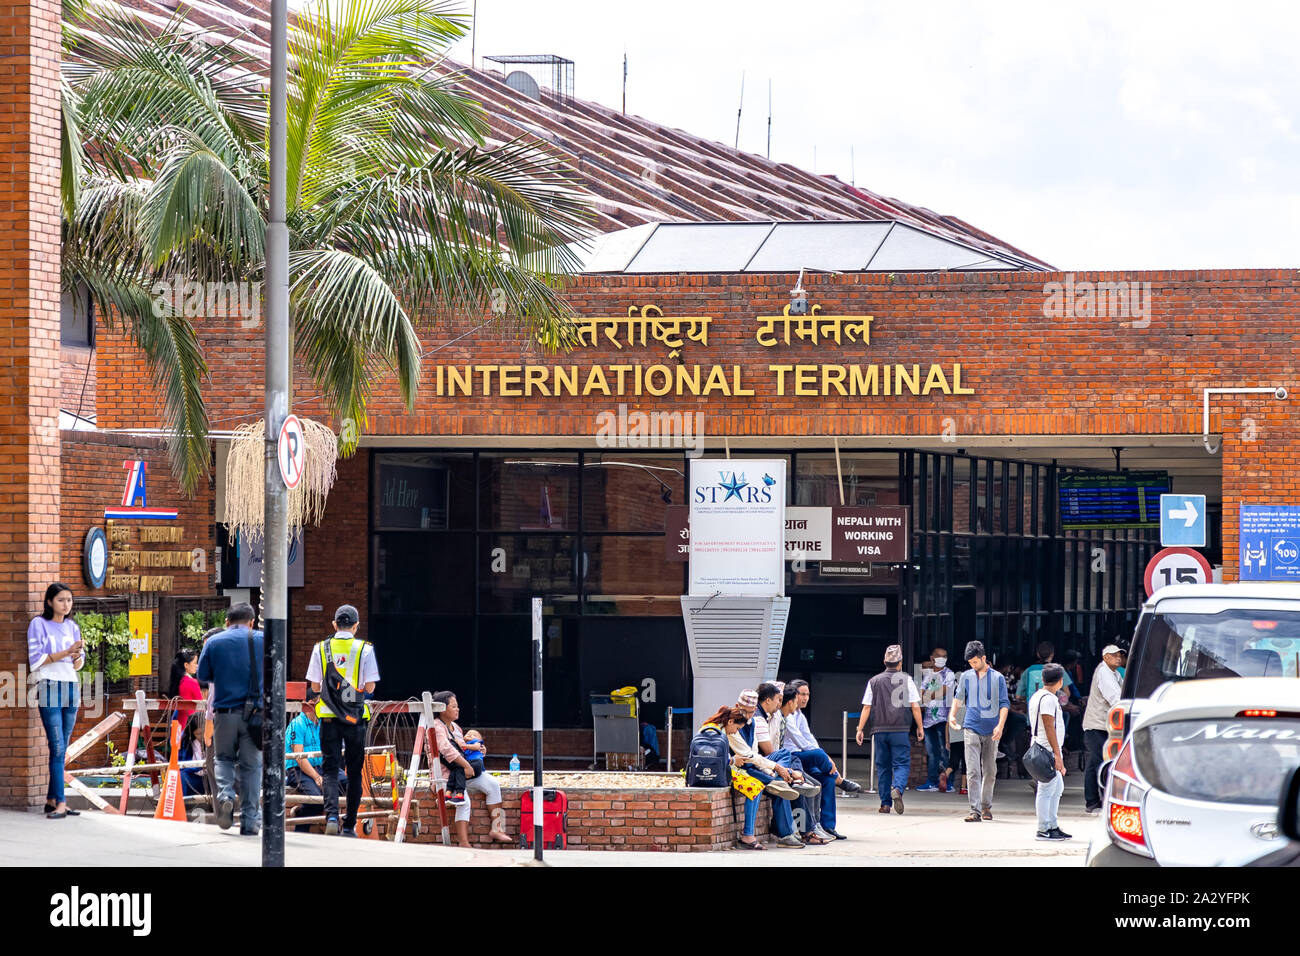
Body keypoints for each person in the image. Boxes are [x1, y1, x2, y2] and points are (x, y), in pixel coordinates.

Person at [306, 604, 379, 837]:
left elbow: (315, 687)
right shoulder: (364, 649)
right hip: (356, 718)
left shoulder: (320, 648)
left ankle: (331, 817)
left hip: (328, 717)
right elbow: (369, 687)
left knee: (329, 769)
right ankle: (349, 825)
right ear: (356, 626)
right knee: (355, 771)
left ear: (334, 625)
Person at [196, 602, 264, 835]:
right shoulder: (262, 640)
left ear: (227, 622)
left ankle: (225, 795)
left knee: (223, 759)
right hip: (255, 715)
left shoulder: (214, 642)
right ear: (252, 622)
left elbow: (203, 675)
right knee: (252, 767)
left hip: (224, 713)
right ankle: (250, 821)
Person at [28, 583, 85, 819]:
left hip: (71, 686)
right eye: (61, 600)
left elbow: (79, 664)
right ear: (50, 601)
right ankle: (61, 802)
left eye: (69, 600)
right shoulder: (38, 624)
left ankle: (52, 800)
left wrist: (76, 656)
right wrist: (66, 652)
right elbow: (36, 660)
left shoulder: (73, 626)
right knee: (57, 747)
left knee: (63, 748)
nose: (66, 604)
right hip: (50, 686)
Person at [431, 691, 512, 846]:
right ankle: (463, 842)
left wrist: (479, 750)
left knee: (493, 784)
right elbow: (448, 751)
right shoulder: (436, 727)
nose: (458, 709)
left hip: (466, 772)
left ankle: (497, 829)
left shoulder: (456, 728)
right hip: (448, 776)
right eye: (454, 706)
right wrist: (467, 765)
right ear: (442, 709)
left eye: (457, 706)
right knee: (464, 801)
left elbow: (465, 749)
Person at [784, 679, 860, 840]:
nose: (805, 698)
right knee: (819, 756)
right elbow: (800, 742)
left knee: (827, 780)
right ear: (793, 696)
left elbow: (810, 739)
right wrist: (821, 756)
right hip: (792, 758)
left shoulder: (800, 715)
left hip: (804, 756)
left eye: (808, 694)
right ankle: (840, 780)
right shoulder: (787, 716)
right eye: (802, 694)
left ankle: (828, 826)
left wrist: (825, 757)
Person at [728, 692, 806, 848]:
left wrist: (771, 771)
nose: (748, 715)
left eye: (751, 711)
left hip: (755, 764)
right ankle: (782, 780)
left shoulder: (752, 723)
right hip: (742, 767)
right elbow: (747, 755)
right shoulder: (732, 725)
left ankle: (777, 780)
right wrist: (780, 770)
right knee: (779, 787)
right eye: (745, 711)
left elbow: (755, 752)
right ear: (737, 708)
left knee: (784, 755)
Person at [856, 644, 924, 814]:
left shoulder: (874, 681)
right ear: (900, 663)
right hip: (900, 729)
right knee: (901, 764)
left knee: (883, 767)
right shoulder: (907, 679)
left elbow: (867, 707)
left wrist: (860, 729)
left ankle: (885, 803)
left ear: (884, 661)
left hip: (879, 730)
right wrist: (920, 727)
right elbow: (915, 706)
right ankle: (898, 789)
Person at [952, 640, 1009, 822]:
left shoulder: (998, 678)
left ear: (984, 658)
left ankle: (986, 806)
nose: (973, 665)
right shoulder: (966, 677)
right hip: (971, 726)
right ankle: (974, 809)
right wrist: (952, 715)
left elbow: (1004, 704)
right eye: (970, 663)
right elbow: (959, 697)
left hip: (992, 729)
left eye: (975, 662)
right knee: (972, 770)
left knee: (990, 770)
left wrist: (1000, 725)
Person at [285, 691, 346, 833]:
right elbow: (299, 757)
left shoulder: (323, 723)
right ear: (311, 704)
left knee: (347, 783)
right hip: (299, 770)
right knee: (315, 799)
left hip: (322, 767)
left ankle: (342, 825)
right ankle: (301, 831)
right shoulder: (297, 724)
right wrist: (316, 777)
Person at [1029, 663, 1072, 841]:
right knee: (1046, 789)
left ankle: (1052, 825)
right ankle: (1043, 828)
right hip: (1047, 749)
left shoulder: (1038, 695)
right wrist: (1057, 754)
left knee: (1057, 788)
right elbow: (1049, 726)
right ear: (1060, 681)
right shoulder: (1048, 699)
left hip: (1045, 747)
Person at [1081, 644, 1124, 813]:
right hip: (1097, 725)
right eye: (1114, 655)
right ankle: (1104, 799)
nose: (1118, 658)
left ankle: (1092, 801)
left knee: (1094, 763)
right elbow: (1115, 697)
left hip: (1100, 725)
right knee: (1102, 763)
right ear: (1106, 657)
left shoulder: (1113, 673)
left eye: (1120, 655)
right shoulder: (1104, 672)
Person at [916, 646, 956, 792]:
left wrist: (926, 696)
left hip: (943, 719)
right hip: (928, 720)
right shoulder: (928, 674)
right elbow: (920, 694)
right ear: (932, 658)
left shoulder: (949, 674)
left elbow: (942, 691)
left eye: (945, 656)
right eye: (939, 656)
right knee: (932, 753)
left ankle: (949, 783)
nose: (942, 658)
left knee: (945, 752)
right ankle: (932, 782)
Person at [167, 649, 203, 726]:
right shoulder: (192, 682)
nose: (197, 666)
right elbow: (201, 707)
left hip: (176, 723)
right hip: (191, 725)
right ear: (186, 665)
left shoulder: (177, 681)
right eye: (195, 663)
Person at [177, 714, 207, 797]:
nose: (202, 737)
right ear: (192, 733)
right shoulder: (186, 743)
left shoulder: (214, 739)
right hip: (193, 779)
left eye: (204, 732)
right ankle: (183, 804)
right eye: (198, 734)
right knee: (180, 776)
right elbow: (181, 766)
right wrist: (198, 766)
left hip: (211, 780)